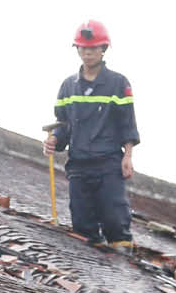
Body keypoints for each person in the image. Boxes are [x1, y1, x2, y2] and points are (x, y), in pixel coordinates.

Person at [44, 20, 139, 250]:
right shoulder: (68, 86)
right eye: (83, 49)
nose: (87, 54)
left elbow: (127, 122)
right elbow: (64, 124)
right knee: (82, 223)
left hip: (108, 162)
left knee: (114, 216)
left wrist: (127, 156)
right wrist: (55, 140)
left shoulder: (118, 83)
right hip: (78, 163)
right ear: (77, 50)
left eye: (93, 48)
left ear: (103, 49)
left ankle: (123, 260)